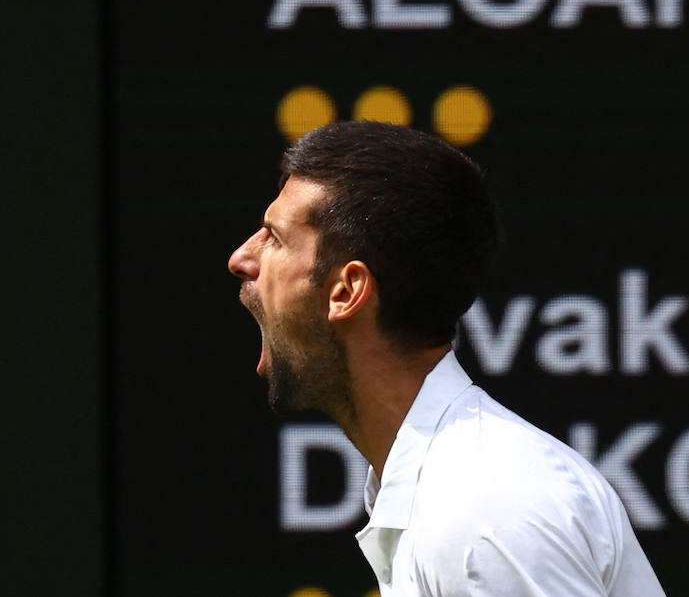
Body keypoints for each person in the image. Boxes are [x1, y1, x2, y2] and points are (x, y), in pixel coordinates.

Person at [228, 120, 666, 597]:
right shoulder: (454, 494)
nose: (242, 258)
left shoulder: (479, 515)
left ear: (347, 291)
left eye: (273, 237)